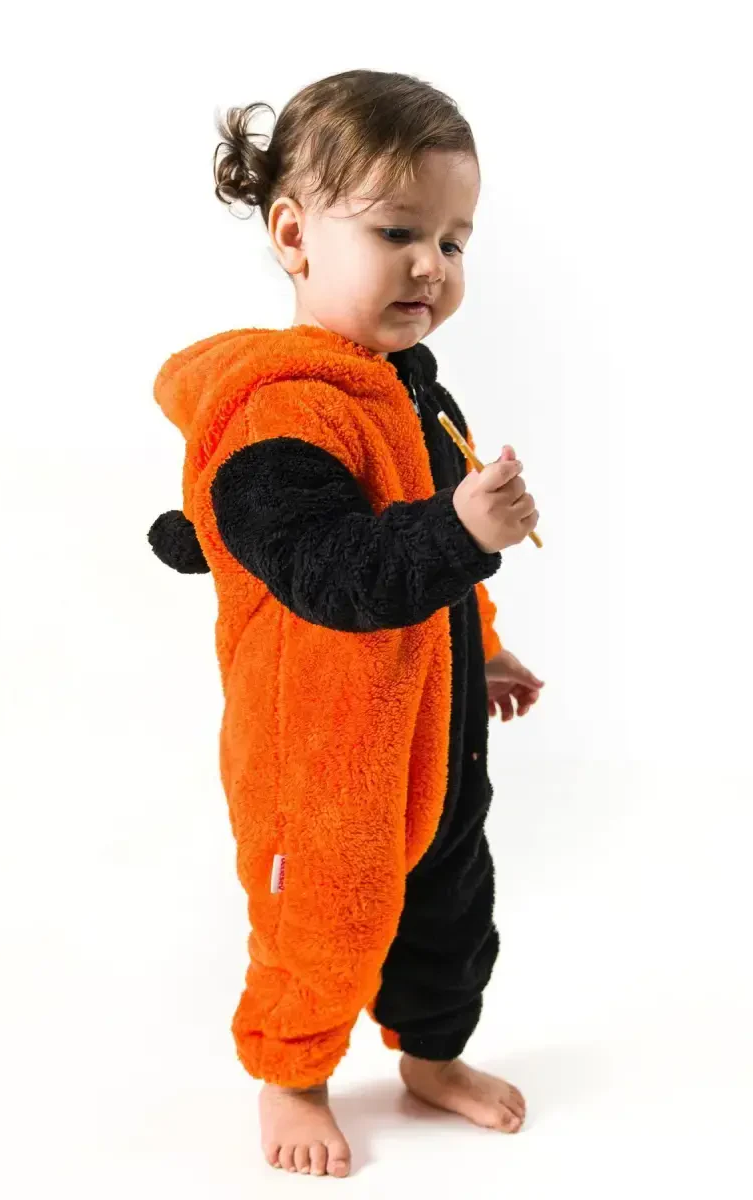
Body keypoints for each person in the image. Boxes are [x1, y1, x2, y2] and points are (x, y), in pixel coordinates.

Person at [148, 68, 544, 1179]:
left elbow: (425, 541)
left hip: (434, 733)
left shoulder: (409, 384)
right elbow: (331, 572)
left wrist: (483, 642)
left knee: (449, 909)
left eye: (453, 240)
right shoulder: (279, 413)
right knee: (319, 922)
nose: (431, 265)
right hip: (320, 753)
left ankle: (431, 1054)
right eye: (397, 231)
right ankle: (291, 1074)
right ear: (293, 235)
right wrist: (462, 529)